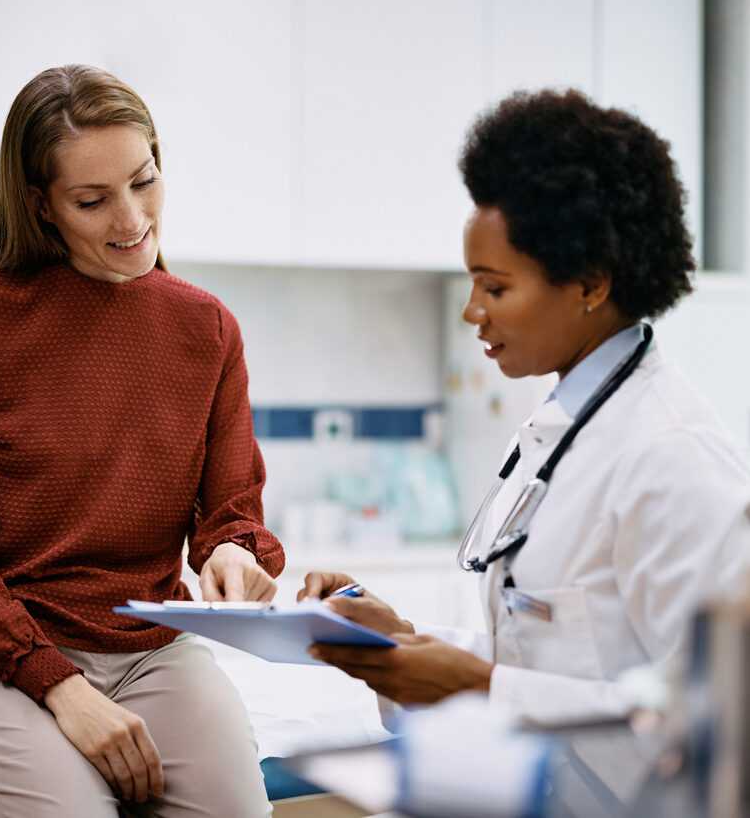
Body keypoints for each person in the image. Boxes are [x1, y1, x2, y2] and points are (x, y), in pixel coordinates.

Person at [301, 89, 750, 726]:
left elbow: (721, 717)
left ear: (591, 283)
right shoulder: (567, 428)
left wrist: (481, 689)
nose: (472, 311)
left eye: (496, 286)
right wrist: (398, 640)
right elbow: (559, 668)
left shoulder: (672, 457)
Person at [0, 64, 283, 817]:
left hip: (149, 648)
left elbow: (231, 510)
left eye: (143, 181)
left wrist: (234, 555)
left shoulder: (207, 328)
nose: (131, 218)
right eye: (92, 199)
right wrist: (60, 686)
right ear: (40, 205)